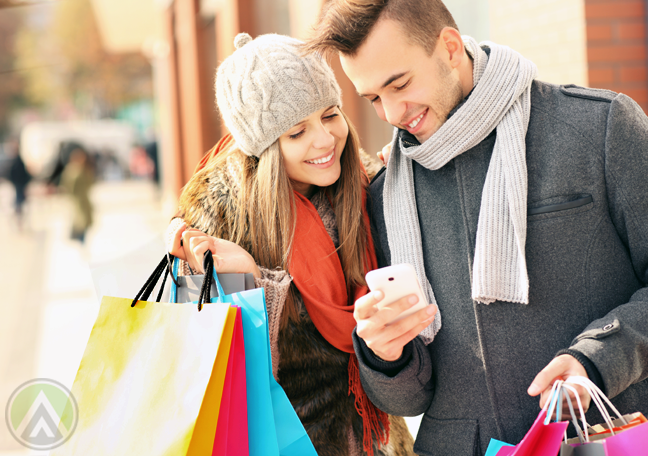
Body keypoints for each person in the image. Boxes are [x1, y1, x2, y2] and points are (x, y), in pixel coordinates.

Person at [305, 1, 648, 455]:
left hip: (597, 440)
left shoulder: (600, 127)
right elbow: (409, 398)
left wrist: (597, 359)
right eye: (372, 99)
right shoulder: (384, 195)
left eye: (400, 83)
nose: (390, 113)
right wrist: (385, 356)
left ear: (449, 48)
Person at [166, 33, 414, 456]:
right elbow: (209, 373)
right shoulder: (215, 217)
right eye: (297, 132)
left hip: (376, 436)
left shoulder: (368, 185)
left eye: (330, 115)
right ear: (263, 148)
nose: (325, 140)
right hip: (280, 441)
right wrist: (251, 280)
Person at [61, 146, 94, 243]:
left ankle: (80, 240)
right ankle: (78, 239)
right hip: (77, 199)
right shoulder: (73, 170)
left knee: (83, 221)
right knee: (80, 221)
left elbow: (90, 182)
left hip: (83, 198)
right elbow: (68, 186)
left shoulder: (83, 168)